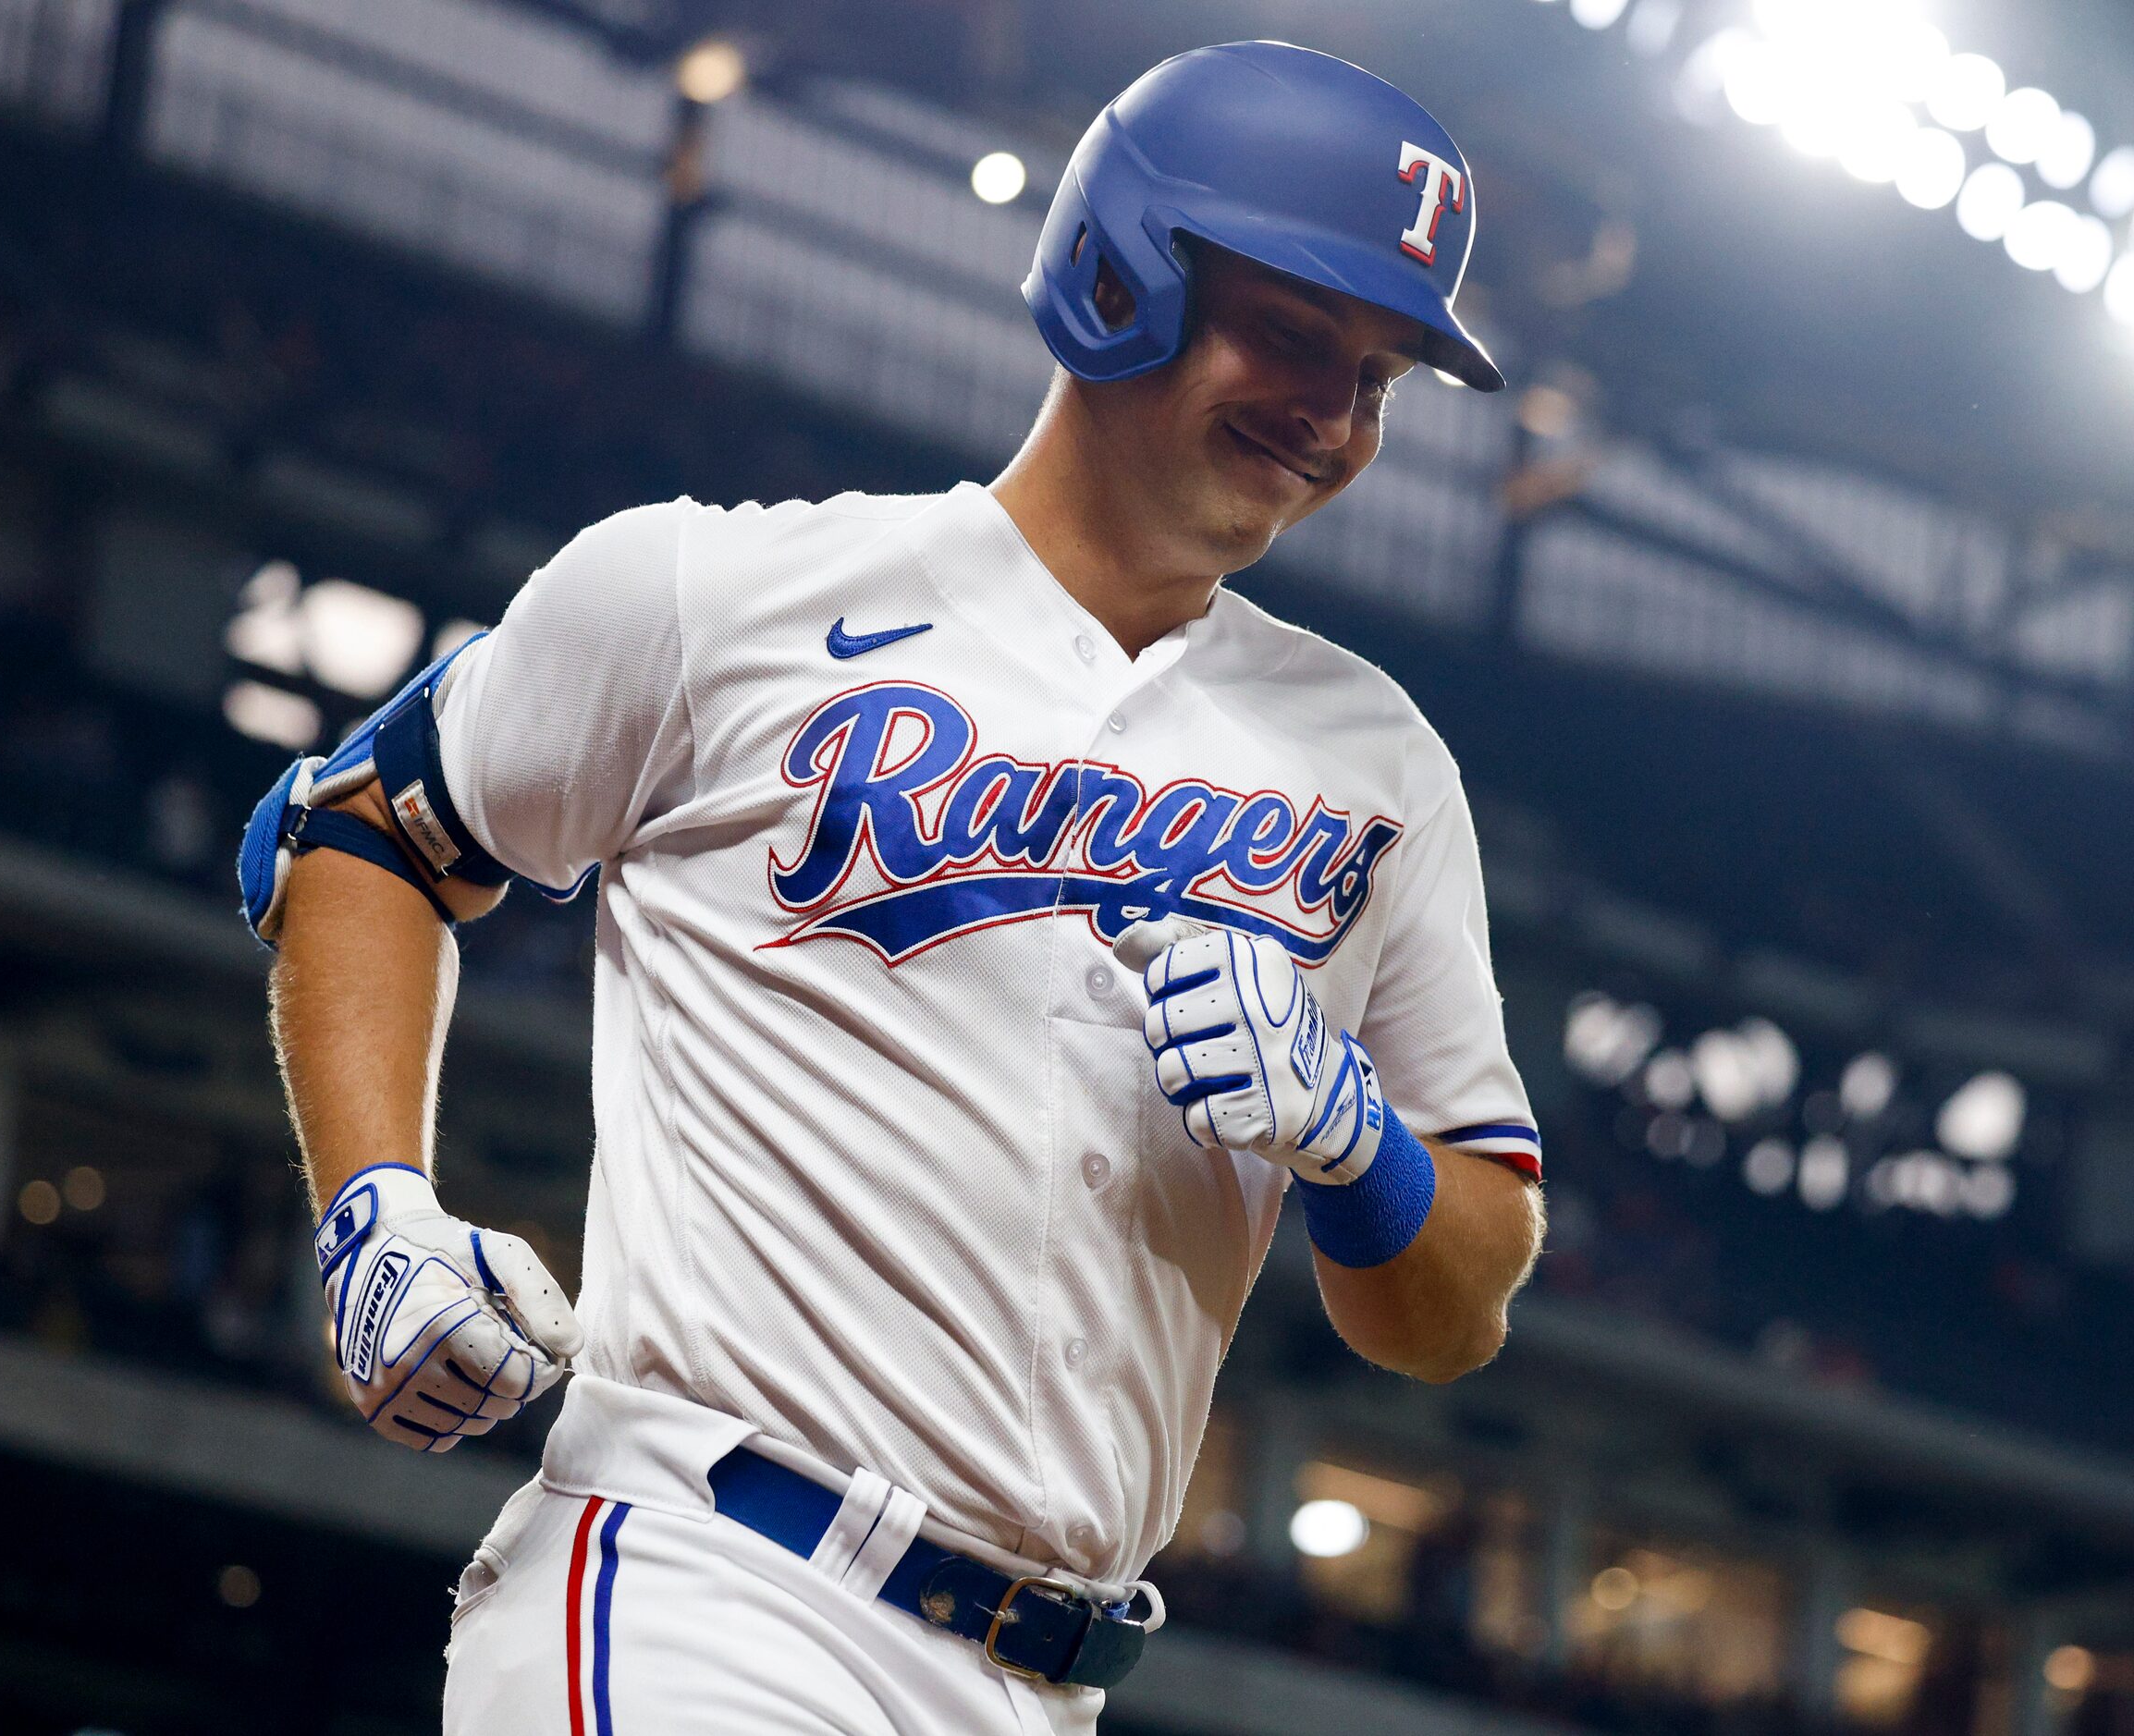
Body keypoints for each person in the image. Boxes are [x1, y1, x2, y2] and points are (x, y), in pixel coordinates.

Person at [239, 39, 1543, 1735]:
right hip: (710, 1586)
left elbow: (1460, 1300)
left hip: (1042, 1685)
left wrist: (1358, 1144)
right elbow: (358, 830)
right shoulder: (721, 590)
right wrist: (374, 1213)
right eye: (1295, 334)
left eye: (1377, 374)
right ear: (1116, 276)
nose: (1334, 415)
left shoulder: (1379, 764)